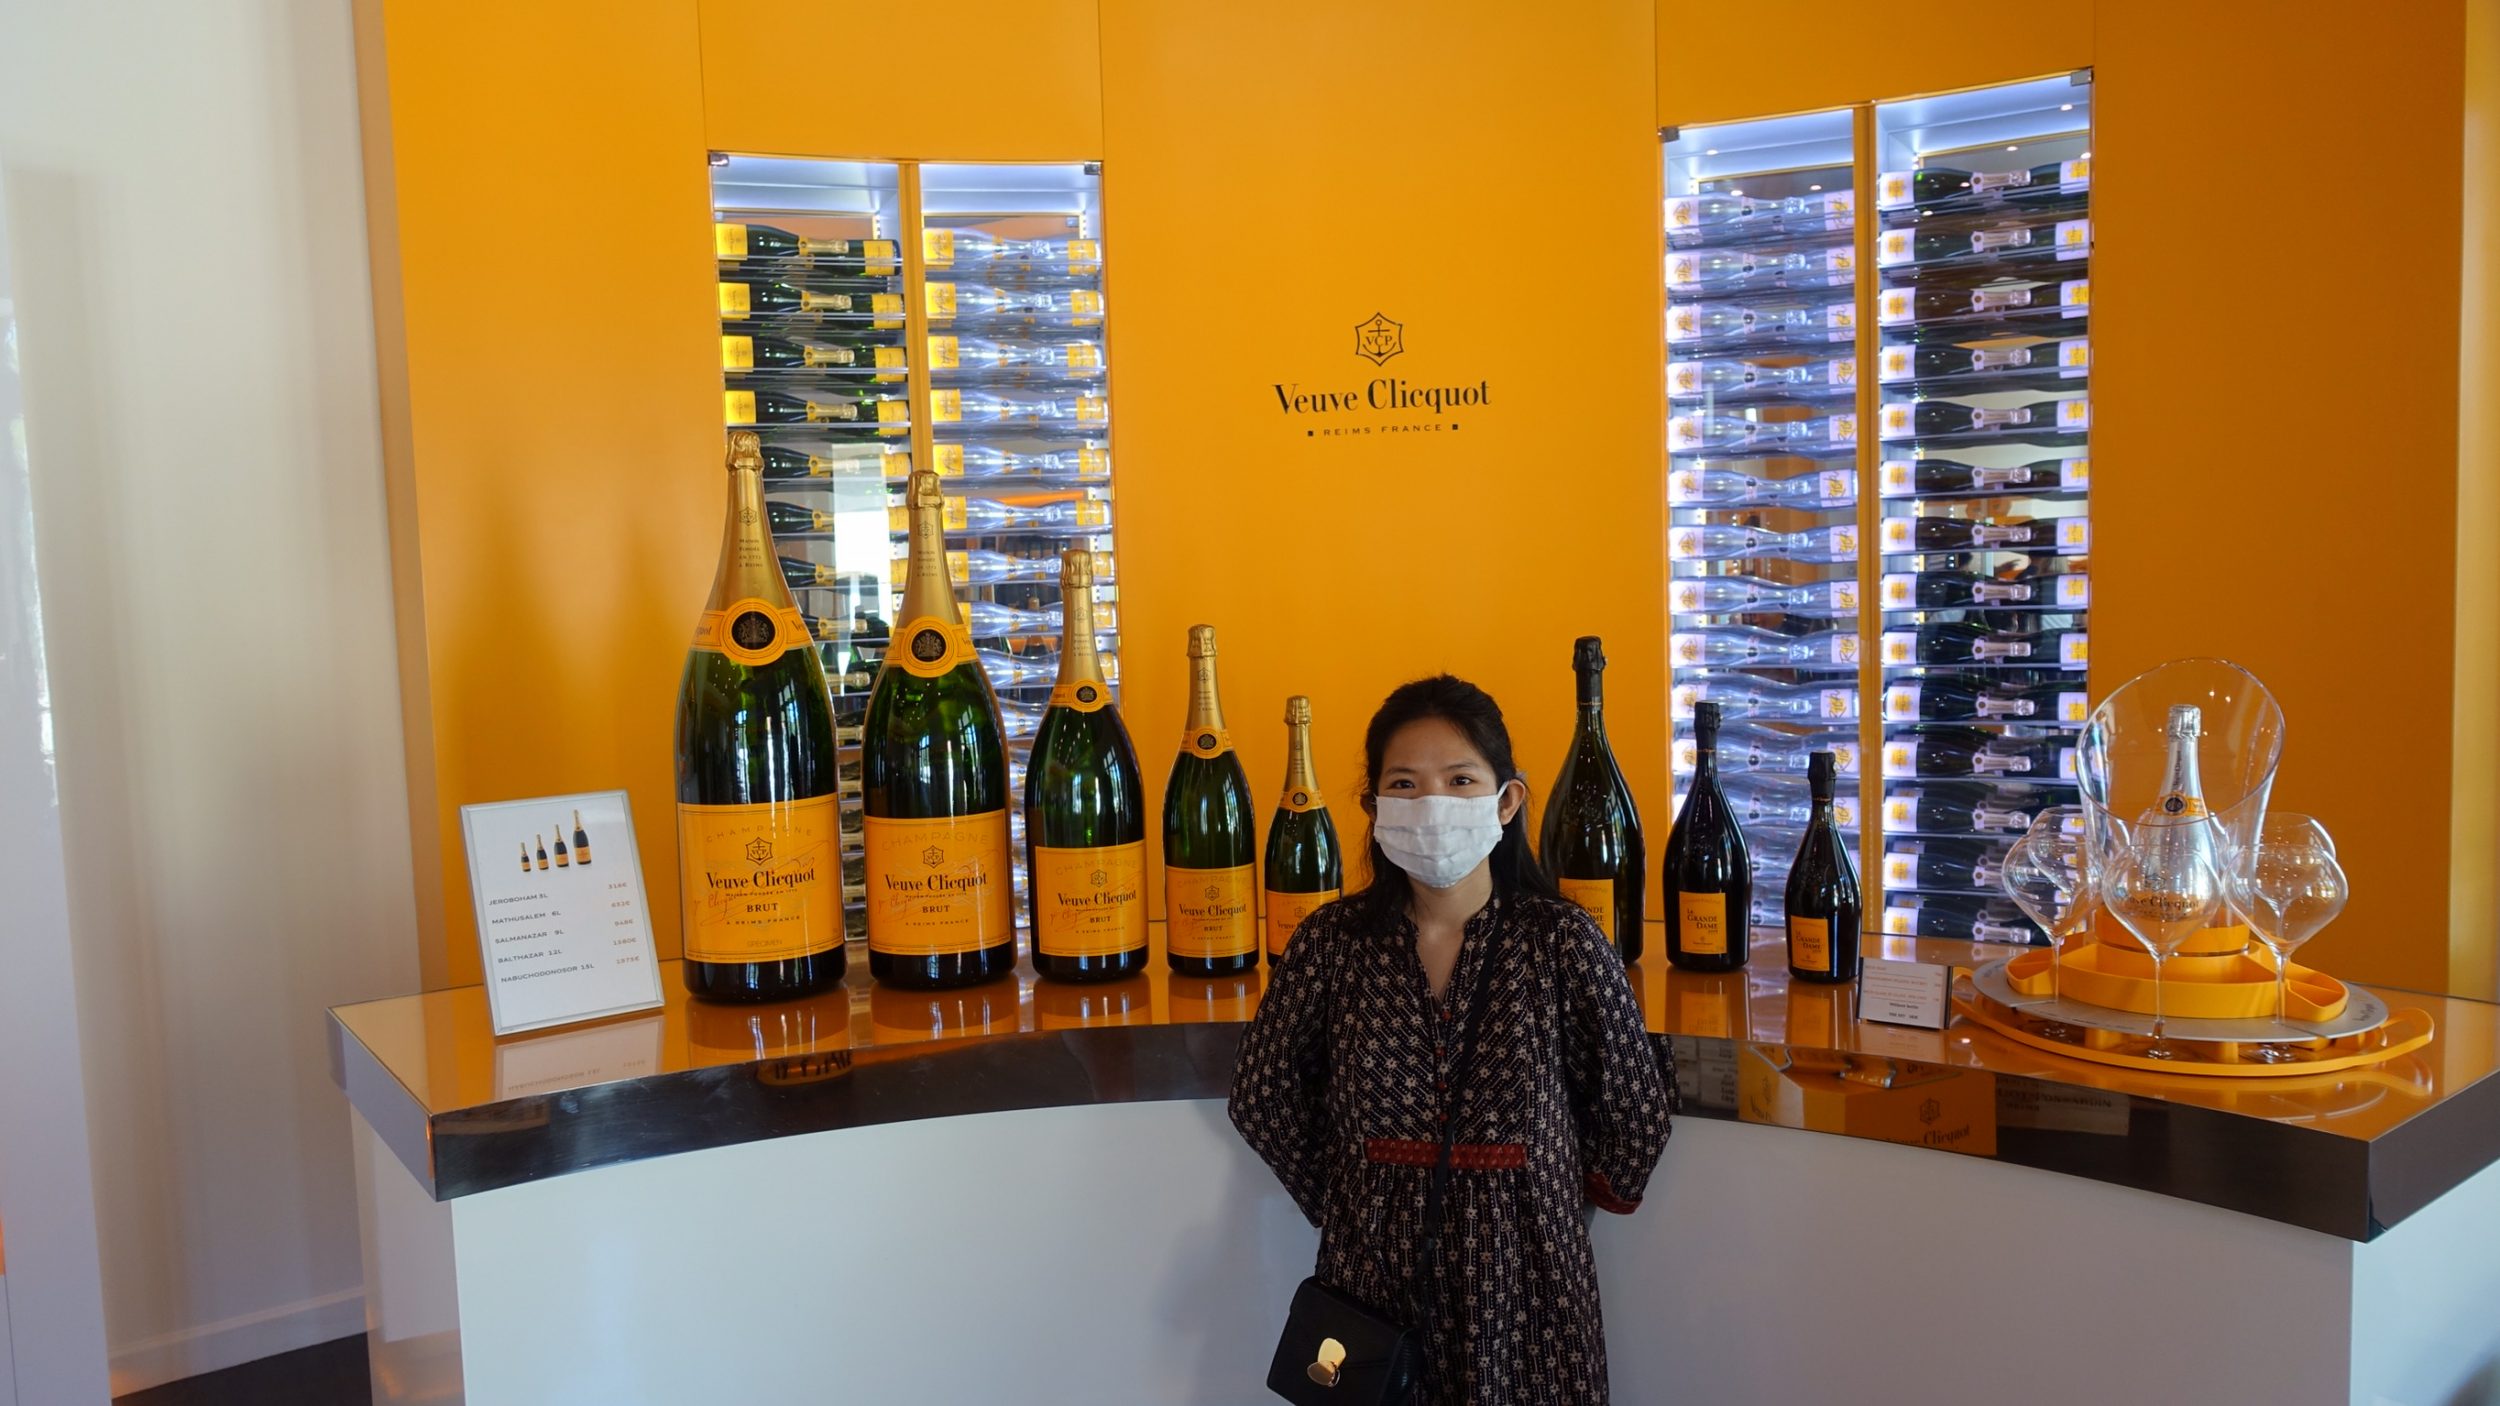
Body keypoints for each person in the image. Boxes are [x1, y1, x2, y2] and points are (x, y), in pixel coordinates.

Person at [1229, 674, 1672, 1405]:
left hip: (1530, 1289)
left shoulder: (1560, 941)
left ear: (1507, 800)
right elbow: (1262, 1094)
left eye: (1460, 779)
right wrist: (1350, 1200)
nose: (1431, 802)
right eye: (1404, 783)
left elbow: (1635, 1110)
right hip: (1373, 1288)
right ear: (1374, 807)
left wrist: (1547, 1199)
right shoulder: (1331, 944)